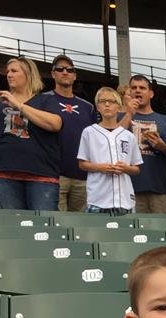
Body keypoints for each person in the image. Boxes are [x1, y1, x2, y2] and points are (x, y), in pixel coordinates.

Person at [0, 56, 63, 210]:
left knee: (43, 225)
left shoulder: (46, 100)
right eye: (8, 71)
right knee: (14, 225)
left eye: (14, 71)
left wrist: (17, 103)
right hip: (3, 171)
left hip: (41, 173)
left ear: (28, 74)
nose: (9, 75)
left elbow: (55, 124)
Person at [77, 87, 142, 215]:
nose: (107, 104)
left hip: (124, 199)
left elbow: (137, 168)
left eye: (111, 101)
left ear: (119, 107)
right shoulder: (89, 132)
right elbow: (82, 163)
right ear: (98, 107)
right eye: (102, 101)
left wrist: (125, 168)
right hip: (98, 198)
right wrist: (101, 167)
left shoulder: (128, 136)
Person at [123, 75, 166, 214]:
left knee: (163, 233)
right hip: (127, 189)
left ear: (151, 93)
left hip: (160, 189)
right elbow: (112, 142)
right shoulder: (120, 118)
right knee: (132, 234)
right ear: (129, 93)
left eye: (142, 88)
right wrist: (128, 113)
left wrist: (163, 147)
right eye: (134, 88)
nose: (138, 91)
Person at [46, 55, 96, 212]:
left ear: (75, 76)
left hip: (82, 175)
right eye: (60, 69)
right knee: (57, 225)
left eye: (70, 70)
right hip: (53, 175)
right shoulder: (43, 100)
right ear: (53, 74)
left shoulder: (88, 107)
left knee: (81, 227)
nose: (65, 72)